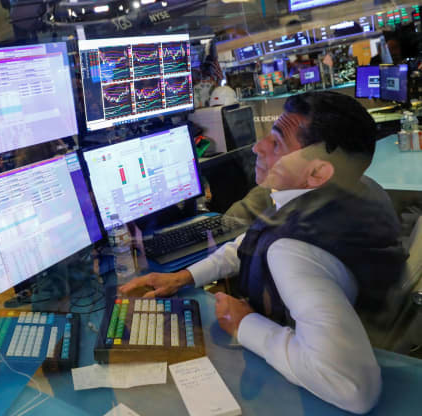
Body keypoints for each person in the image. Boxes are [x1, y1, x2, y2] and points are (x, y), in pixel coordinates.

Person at [121, 91, 407, 414]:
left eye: (277, 143)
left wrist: (245, 325)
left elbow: (353, 388)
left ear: (316, 173)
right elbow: (250, 241)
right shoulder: (354, 189)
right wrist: (183, 277)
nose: (258, 147)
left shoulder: (292, 253)